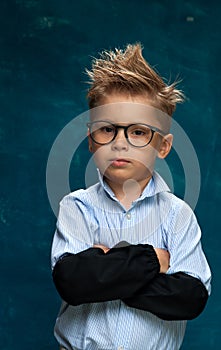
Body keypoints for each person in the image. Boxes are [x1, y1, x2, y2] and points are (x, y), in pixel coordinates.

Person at [51, 43, 211, 350]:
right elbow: (73, 282)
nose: (120, 143)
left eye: (138, 132)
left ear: (163, 146)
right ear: (91, 141)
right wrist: (152, 259)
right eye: (107, 129)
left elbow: (188, 298)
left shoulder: (178, 215)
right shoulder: (77, 207)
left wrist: (106, 269)